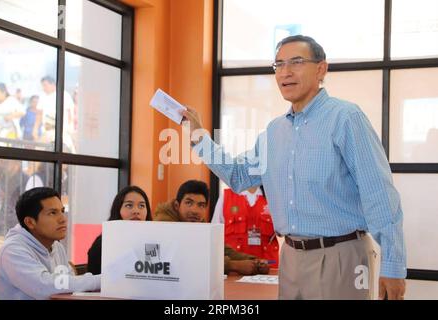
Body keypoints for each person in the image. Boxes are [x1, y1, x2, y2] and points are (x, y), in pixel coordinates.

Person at [183, 35, 407, 300]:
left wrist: (393, 266)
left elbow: (378, 193)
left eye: (296, 62)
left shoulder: (346, 118)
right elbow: (239, 176)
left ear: (321, 69)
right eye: (278, 65)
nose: (285, 72)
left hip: (341, 256)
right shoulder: (274, 131)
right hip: (290, 256)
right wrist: (199, 137)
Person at [0, 187, 100, 299]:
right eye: (52, 213)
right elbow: (46, 287)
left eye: (62, 211)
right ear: (30, 222)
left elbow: (69, 285)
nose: (63, 219)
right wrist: (101, 280)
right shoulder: (12, 250)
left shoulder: (57, 246)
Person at [154, 180, 269, 275]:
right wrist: (234, 265)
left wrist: (255, 261)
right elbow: (190, 259)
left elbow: (221, 248)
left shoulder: (199, 224)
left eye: (201, 205)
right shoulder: (164, 224)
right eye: (189, 203)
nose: (195, 210)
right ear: (176, 205)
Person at [87, 185, 152, 275]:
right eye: (129, 205)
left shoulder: (154, 241)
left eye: (141, 206)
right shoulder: (102, 243)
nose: (136, 211)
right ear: (118, 209)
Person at [212, 186, 279, 267]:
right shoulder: (226, 196)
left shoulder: (275, 197)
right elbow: (214, 235)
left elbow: (285, 230)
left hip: (268, 265)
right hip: (235, 268)